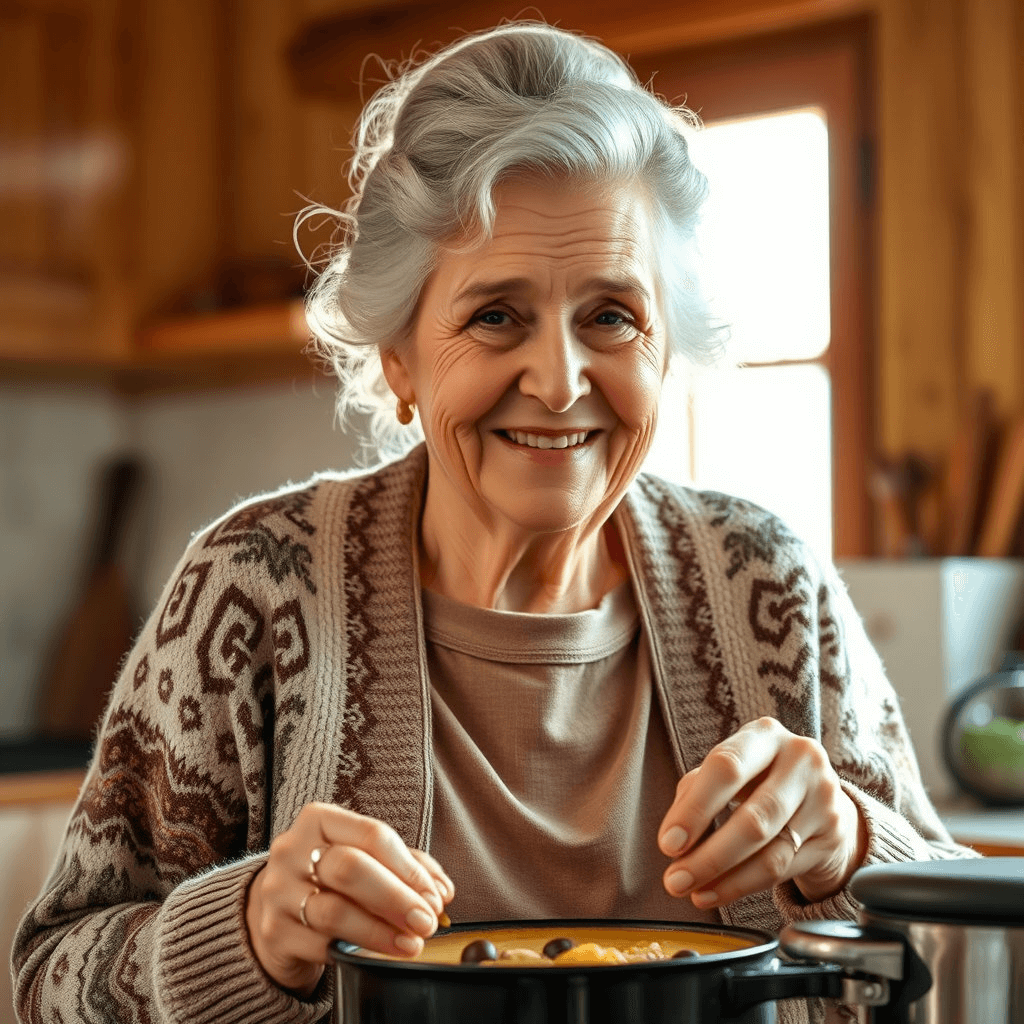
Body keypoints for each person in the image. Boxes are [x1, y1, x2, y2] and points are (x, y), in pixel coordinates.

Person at [12, 21, 974, 1024]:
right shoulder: (253, 587)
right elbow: (46, 983)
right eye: (494, 316)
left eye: (611, 315)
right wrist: (246, 930)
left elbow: (969, 959)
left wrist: (856, 849)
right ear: (398, 359)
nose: (558, 382)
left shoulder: (764, 581)